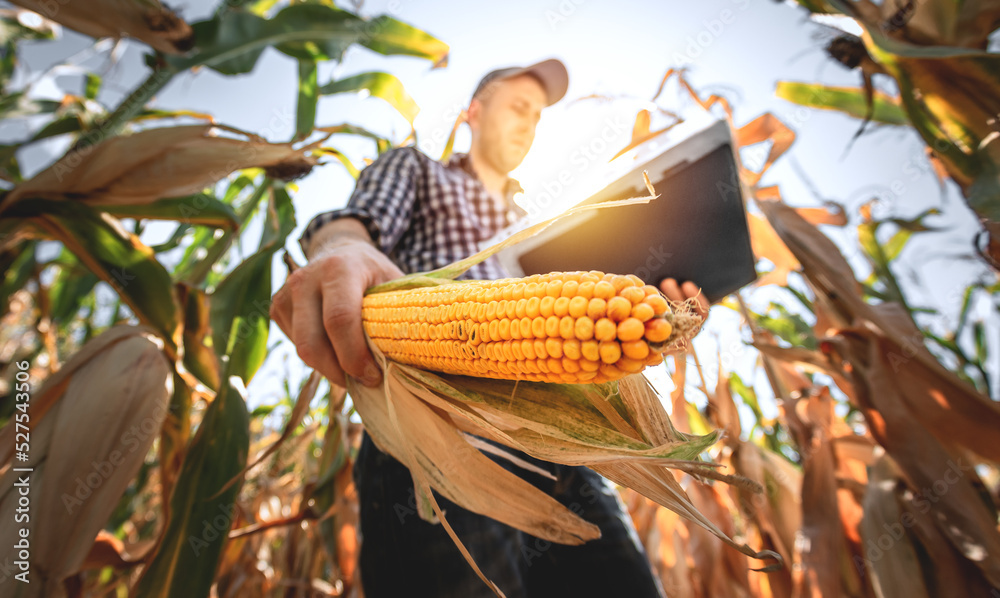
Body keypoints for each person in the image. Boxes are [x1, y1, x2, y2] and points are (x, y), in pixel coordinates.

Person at [270, 59, 709, 598]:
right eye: (518, 108)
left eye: (538, 117)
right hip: (442, 439)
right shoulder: (417, 170)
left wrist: (656, 323)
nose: (529, 123)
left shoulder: (536, 222)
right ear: (474, 112)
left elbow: (575, 330)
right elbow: (353, 227)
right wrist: (342, 249)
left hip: (562, 442)